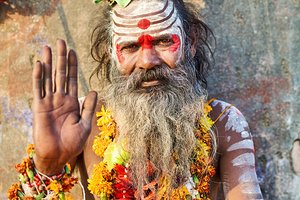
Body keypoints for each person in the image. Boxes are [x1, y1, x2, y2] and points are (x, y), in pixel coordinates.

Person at [9, 0, 263, 199]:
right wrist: (46, 167)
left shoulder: (223, 123)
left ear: (191, 42)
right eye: (130, 47)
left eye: (164, 41)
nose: (146, 61)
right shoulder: (80, 122)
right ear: (111, 52)